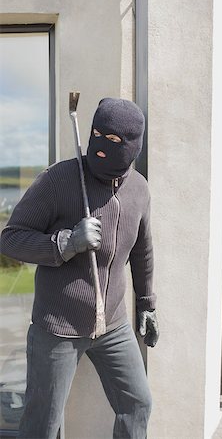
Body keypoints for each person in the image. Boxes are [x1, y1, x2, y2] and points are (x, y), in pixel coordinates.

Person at [0, 97, 159, 439]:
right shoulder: (59, 179)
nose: (101, 147)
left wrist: (146, 303)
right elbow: (10, 239)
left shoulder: (139, 190)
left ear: (133, 145)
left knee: (139, 404)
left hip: (113, 326)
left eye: (115, 141)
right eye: (97, 134)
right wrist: (66, 243)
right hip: (57, 327)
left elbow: (142, 251)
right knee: (43, 423)